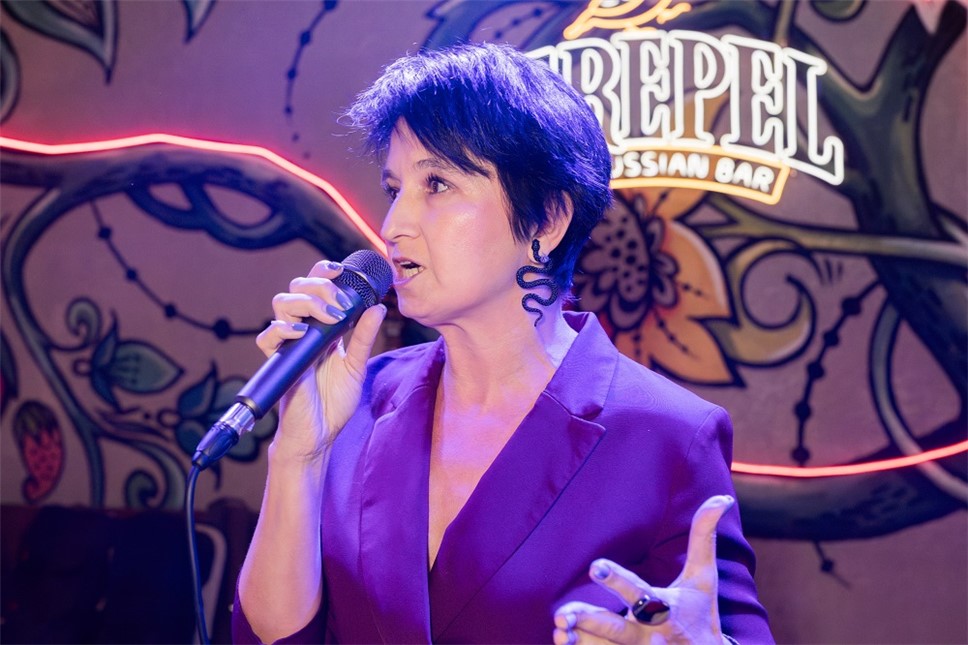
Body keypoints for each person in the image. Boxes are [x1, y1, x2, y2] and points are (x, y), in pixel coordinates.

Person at [232, 42, 773, 644]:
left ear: (547, 219)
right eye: (394, 189)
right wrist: (298, 454)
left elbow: (713, 628)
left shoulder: (668, 434)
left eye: (437, 183)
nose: (393, 226)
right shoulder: (356, 397)